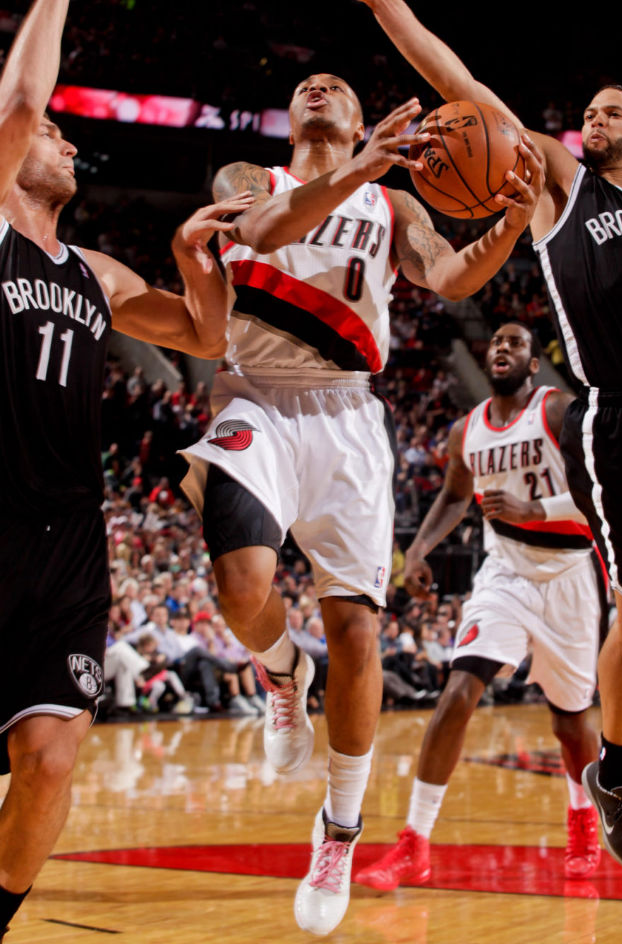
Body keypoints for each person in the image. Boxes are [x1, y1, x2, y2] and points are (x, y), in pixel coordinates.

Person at [314, 0, 622, 878]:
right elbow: (464, 89)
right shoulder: (562, 188)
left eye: (610, 113)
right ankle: (615, 774)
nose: (591, 120)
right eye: (589, 112)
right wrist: (382, 3)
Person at [180, 67, 543, 931]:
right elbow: (265, 232)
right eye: (306, 83)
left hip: (346, 412)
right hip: (254, 397)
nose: (317, 87)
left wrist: (514, 220)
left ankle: (339, 830)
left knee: (353, 630)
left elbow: (452, 277)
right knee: (238, 586)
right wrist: (362, 165)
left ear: (353, 115)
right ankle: (279, 669)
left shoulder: (394, 206)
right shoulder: (249, 179)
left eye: (334, 84)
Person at [0, 0, 253, 937]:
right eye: (58, 135)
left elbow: (203, 332)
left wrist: (201, 260)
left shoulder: (93, 275)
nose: (65, 141)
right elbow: (21, 103)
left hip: (67, 538)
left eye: (68, 138)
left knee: (52, 755)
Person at [355, 323, 603, 889]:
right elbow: (452, 496)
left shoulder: (558, 411)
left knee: (570, 724)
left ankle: (582, 817)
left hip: (569, 575)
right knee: (459, 690)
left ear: (533, 363)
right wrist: (416, 552)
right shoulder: (465, 431)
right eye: (494, 342)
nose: (501, 348)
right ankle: (414, 842)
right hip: (505, 573)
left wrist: (533, 508)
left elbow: (599, 497)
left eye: (515, 343)